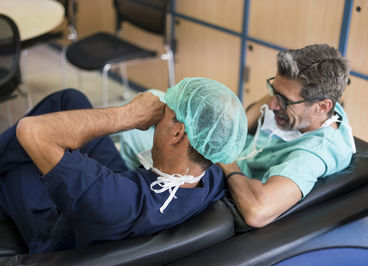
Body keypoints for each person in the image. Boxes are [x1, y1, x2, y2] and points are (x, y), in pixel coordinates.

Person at [0, 77, 247, 253]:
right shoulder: (211, 178)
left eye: (165, 111)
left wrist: (128, 115)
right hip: (121, 194)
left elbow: (32, 132)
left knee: (16, 158)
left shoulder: (114, 198)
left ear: (178, 133)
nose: (156, 116)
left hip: (57, 237)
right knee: (70, 100)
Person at [116, 44, 355, 230]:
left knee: (134, 138)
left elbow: (257, 211)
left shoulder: (314, 155)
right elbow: (243, 119)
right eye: (274, 90)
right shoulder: (309, 109)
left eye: (284, 100)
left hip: (224, 179)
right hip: (225, 157)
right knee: (159, 100)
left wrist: (222, 154)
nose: (271, 104)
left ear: (322, 106)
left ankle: (127, 203)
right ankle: (128, 181)